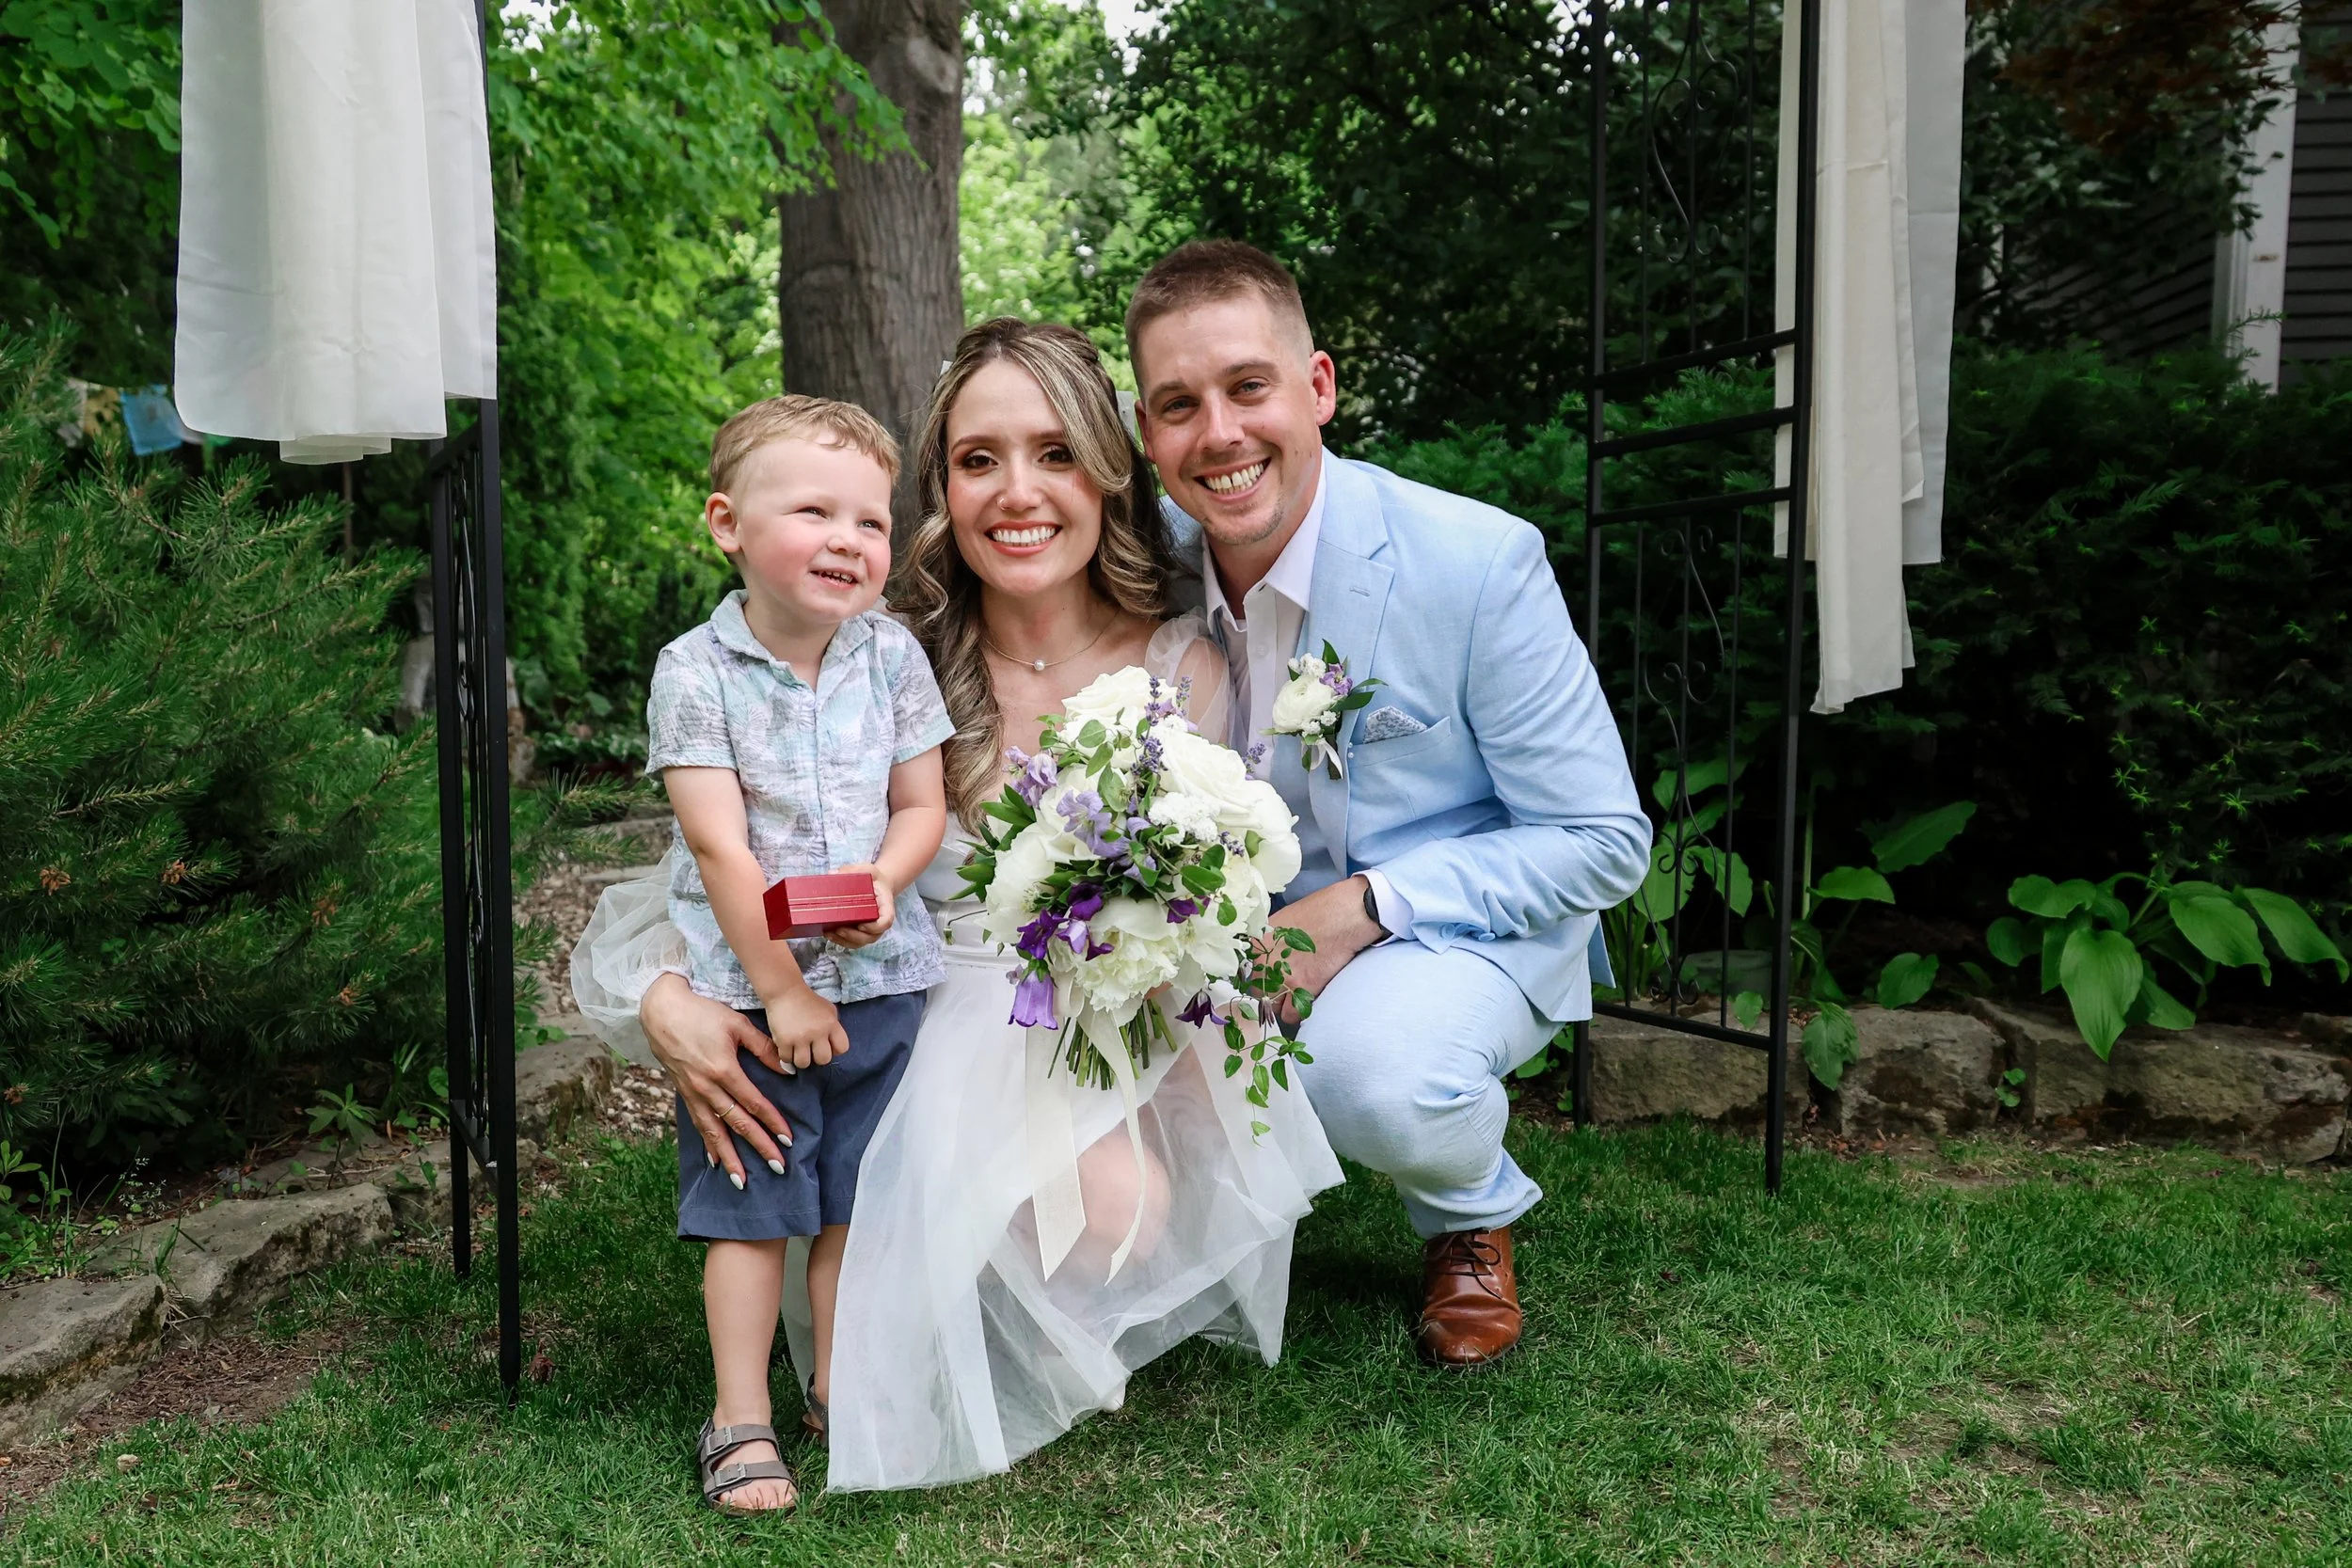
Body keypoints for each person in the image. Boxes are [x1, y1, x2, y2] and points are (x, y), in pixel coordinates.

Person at [575, 319, 1340, 1492]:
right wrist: (669, 992)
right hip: (911, 1013)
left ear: (1108, 470)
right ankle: (815, 1370)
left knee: (1105, 1219)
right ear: (941, 485)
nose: (1016, 492)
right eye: (979, 459)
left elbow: (1211, 898)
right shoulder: (885, 656)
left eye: (1054, 453)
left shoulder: (1188, 661)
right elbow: (713, 860)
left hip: (1094, 1014)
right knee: (910, 1209)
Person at [1123, 241, 1650, 1366]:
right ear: (1145, 430)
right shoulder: (1138, 564)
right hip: (1228, 928)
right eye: (1178, 404)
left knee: (1380, 1079)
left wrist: (1366, 903)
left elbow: (1604, 841)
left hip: (1449, 918)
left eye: (1246, 386)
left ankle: (1470, 1213)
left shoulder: (1474, 562)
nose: (1217, 433)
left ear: (1317, 386)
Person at [647, 394, 953, 1514]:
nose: (849, 539)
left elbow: (920, 801)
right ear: (728, 523)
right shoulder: (696, 670)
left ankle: (837, 1380)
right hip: (746, 999)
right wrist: (778, 989)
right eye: (814, 510)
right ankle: (739, 1414)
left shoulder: (890, 655)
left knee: (852, 1202)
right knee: (753, 1198)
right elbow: (719, 846)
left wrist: (884, 878)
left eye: (871, 521)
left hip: (879, 980)